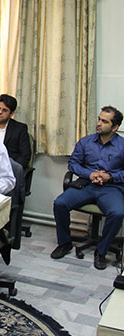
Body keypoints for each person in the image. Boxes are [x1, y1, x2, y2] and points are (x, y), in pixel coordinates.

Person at [51, 106, 124, 270]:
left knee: (118, 213)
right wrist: (90, 174)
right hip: (87, 185)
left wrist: (110, 176)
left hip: (111, 188)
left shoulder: (122, 145)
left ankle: (101, 251)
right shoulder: (86, 142)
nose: (99, 123)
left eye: (104, 121)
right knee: (60, 203)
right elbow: (73, 164)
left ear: (115, 127)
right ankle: (65, 243)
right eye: (99, 119)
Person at [0, 94, 32, 169]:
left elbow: (25, 156)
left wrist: (11, 169)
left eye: (4, 110)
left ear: (11, 114)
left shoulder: (20, 129)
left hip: (10, 168)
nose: (0, 112)